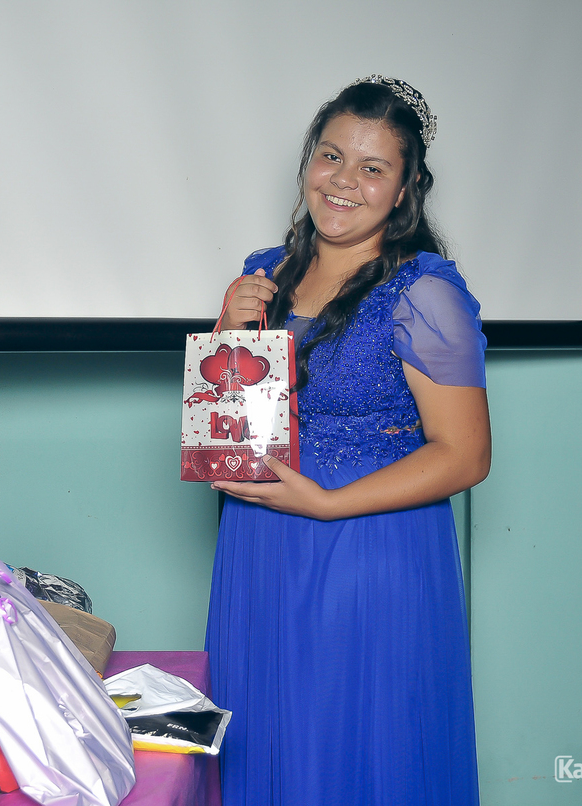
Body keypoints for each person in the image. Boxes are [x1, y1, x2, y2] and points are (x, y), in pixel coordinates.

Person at [205, 76, 489, 806]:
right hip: (260, 547)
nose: (342, 181)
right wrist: (228, 331)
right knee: (267, 744)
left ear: (406, 189)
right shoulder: (263, 274)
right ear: (309, 161)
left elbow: (466, 454)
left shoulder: (424, 293)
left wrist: (328, 504)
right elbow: (228, 428)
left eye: (373, 168)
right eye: (331, 156)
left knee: (355, 751)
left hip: (366, 551)